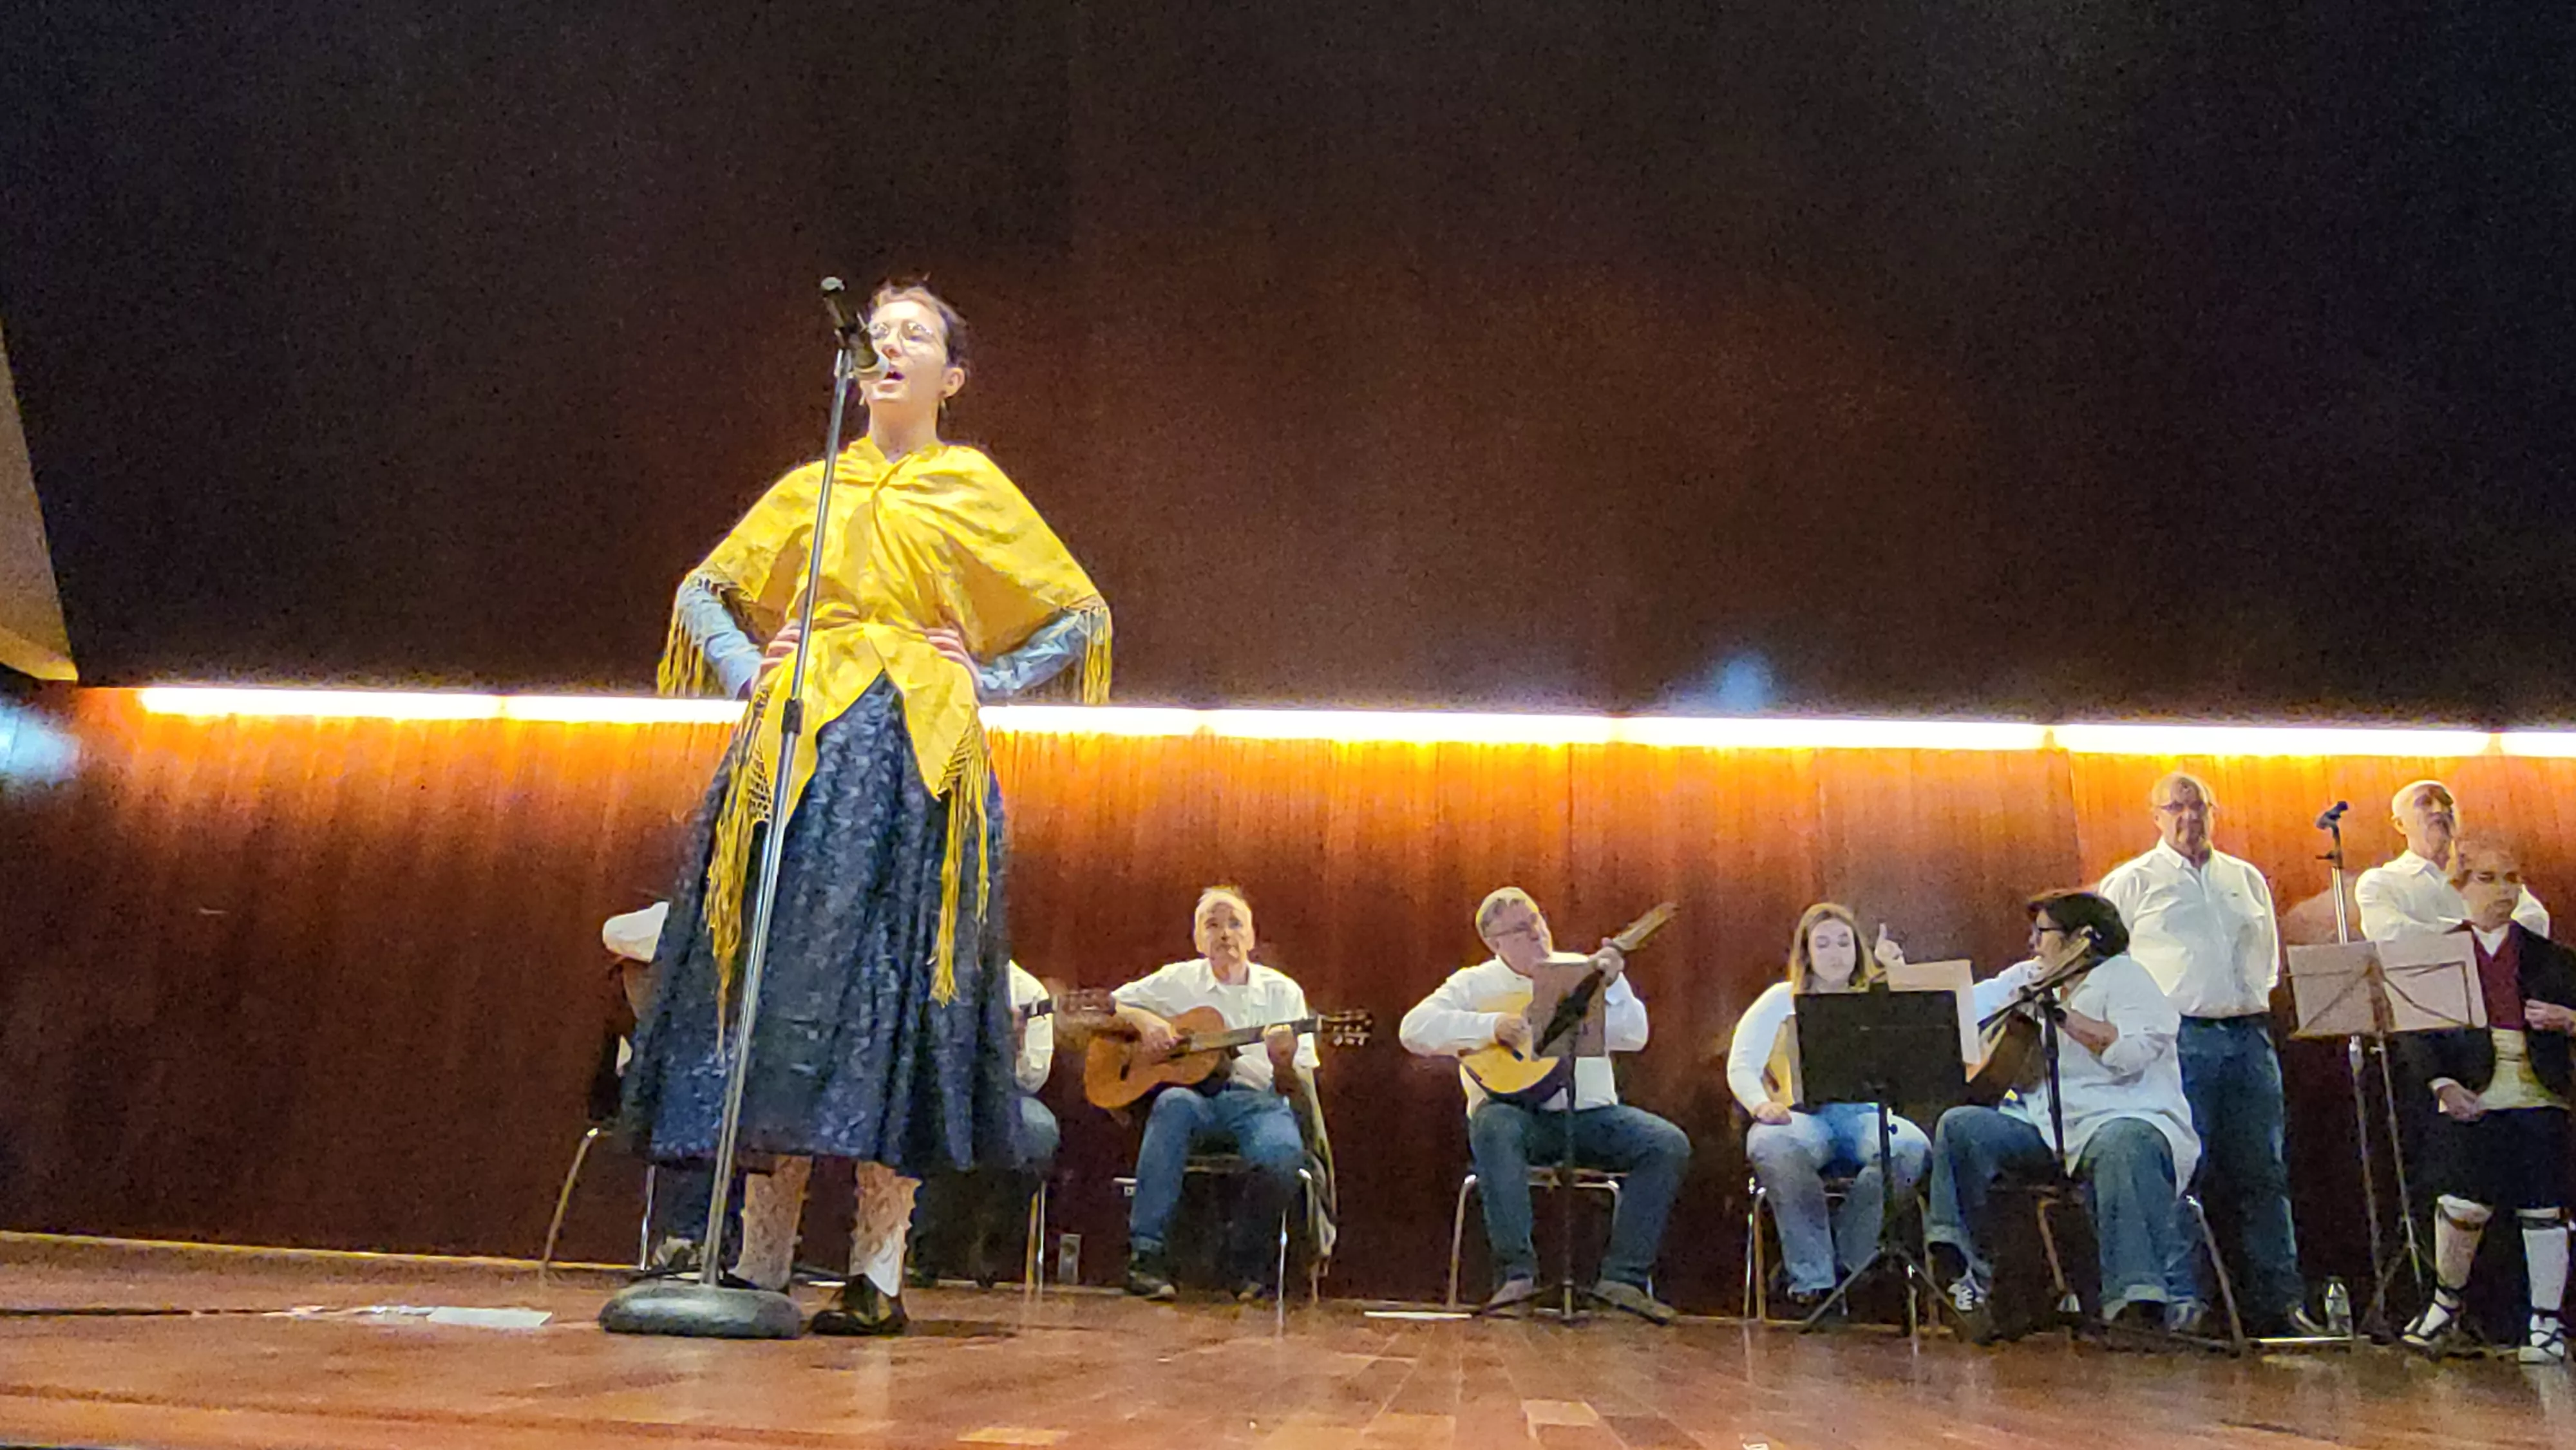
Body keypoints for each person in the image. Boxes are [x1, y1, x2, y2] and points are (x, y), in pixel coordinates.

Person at [622, 281, 1110, 1336]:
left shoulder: (973, 482)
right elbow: (705, 585)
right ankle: (758, 1258)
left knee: (894, 991)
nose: (889, 345)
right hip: (799, 748)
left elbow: (1081, 607)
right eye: (878, 333)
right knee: (781, 986)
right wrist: (745, 660)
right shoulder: (813, 485)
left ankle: (878, 1271)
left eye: (915, 334)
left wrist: (994, 673)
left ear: (954, 376)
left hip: (917, 761)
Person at [1398, 887, 1690, 1324]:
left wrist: (1612, 988)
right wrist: (1491, 1026)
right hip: (1518, 1117)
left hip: (1592, 1115)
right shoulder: (1474, 984)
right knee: (1493, 1125)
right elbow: (1413, 1029)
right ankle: (1517, 1276)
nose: (1536, 931)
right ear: (1495, 943)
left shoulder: (1580, 970)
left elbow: (1634, 1034)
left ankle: (1623, 1280)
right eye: (1520, 928)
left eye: (1536, 919)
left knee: (1667, 1143)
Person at [2097, 773, 2320, 1338]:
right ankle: (2183, 1298)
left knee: (2263, 1171)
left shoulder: (2244, 877)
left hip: (2247, 1035)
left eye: (2199, 808)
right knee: (2180, 1169)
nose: (2189, 818)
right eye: (2176, 808)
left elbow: (2265, 958)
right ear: (2156, 816)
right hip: (2178, 1039)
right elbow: (2106, 968)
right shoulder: (2131, 882)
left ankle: (2280, 1299)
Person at [1925, 890, 2199, 1341]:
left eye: (2043, 933)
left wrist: (2063, 1017)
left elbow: (2132, 1052)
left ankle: (2134, 1304)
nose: (2033, 943)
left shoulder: (2126, 978)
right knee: (1962, 1126)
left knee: (2123, 1143)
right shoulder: (2031, 977)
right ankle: (1962, 1272)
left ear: (2082, 939)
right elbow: (1962, 1010)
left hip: (2127, 1119)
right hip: (2049, 1128)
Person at [2396, 838, 2576, 1365]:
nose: (2505, 891)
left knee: (2544, 1202)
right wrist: (2444, 1087)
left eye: (2513, 878)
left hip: (2538, 1090)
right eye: (2490, 879)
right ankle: (2443, 1305)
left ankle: (2545, 1324)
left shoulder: (2553, 957)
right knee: (2463, 1200)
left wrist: (2569, 1021)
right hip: (2471, 1087)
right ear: (2460, 887)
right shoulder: (2440, 954)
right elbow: (2419, 1035)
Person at [1111, 887, 1319, 1302]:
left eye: (1235, 923)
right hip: (1195, 1099)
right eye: (1213, 924)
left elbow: (1293, 1087)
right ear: (1198, 939)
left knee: (1282, 1157)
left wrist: (1282, 1061)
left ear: (1252, 937)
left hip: (1258, 1102)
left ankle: (1240, 1262)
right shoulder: (1178, 980)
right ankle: (1145, 1258)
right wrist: (1147, 1022)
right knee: (1171, 1105)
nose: (1225, 933)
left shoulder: (1283, 993)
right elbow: (1113, 1004)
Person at [1725, 903, 1931, 1317]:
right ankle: (1812, 1280)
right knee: (1771, 1144)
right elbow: (1741, 1064)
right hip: (1801, 1117)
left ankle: (1850, 1266)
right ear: (1807, 952)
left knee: (1911, 1146)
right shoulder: (1780, 999)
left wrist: (1900, 979)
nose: (1836, 952)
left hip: (1865, 1116)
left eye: (1844, 942)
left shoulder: (1877, 998)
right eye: (1823, 944)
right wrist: (1760, 1105)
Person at [907, 961, 1059, 1287]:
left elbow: (1034, 1079)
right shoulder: (934, 974)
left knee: (1039, 1130)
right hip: (938, 1090)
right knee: (942, 1120)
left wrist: (1014, 1048)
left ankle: (992, 1249)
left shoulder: (1028, 992)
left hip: (1003, 1095)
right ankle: (923, 1247)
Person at [2356, 779, 2550, 941]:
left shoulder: (2490, 871)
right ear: (2399, 824)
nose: (2439, 810)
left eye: (2446, 803)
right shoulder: (2381, 881)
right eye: (2425, 803)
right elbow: (2391, 935)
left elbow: (2534, 920)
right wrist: (2476, 934)